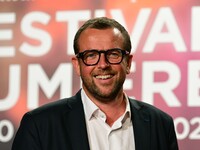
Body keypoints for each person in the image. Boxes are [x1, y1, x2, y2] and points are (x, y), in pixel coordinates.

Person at [12, 17, 179, 150]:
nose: (103, 64)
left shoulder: (161, 124)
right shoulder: (39, 125)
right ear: (77, 65)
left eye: (113, 54)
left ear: (128, 63)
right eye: (91, 55)